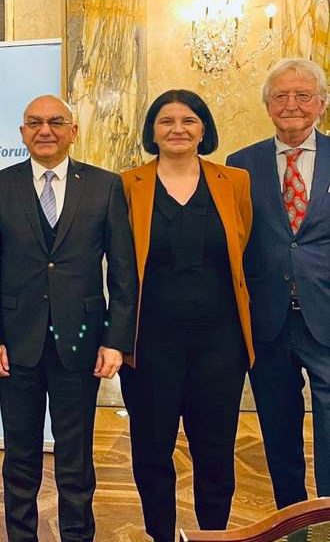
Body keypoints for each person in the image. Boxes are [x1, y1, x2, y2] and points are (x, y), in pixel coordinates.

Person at [0, 95, 137, 542]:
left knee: (75, 458)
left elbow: (123, 271)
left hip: (81, 344)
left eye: (55, 122)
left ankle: (77, 535)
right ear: (22, 132)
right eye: (34, 123)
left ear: (73, 131)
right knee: (20, 456)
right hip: (16, 344)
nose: (44, 130)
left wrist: (115, 340)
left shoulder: (104, 186)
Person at [119, 90, 253, 541]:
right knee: (151, 450)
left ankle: (213, 534)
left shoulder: (235, 181)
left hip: (220, 345)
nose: (178, 128)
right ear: (152, 131)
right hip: (149, 344)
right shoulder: (128, 184)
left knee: (215, 451)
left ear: (203, 129)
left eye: (189, 120)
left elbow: (244, 245)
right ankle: (161, 534)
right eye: (166, 120)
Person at [227, 57, 330, 509]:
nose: (291, 105)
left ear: (322, 104)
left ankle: (326, 518)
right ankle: (293, 521)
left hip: (326, 317)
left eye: (303, 95)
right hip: (266, 322)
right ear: (267, 105)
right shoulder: (240, 164)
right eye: (281, 96)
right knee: (277, 428)